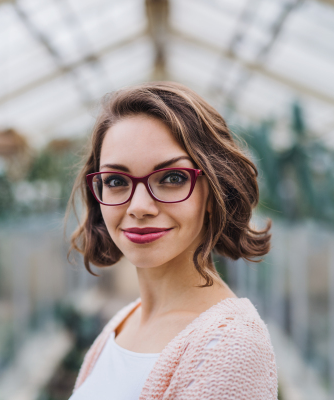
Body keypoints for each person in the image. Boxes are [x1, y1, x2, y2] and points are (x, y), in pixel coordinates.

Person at [67, 82, 277, 399]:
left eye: (172, 178)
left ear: (213, 191)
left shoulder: (230, 347)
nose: (138, 207)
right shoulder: (125, 322)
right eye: (116, 181)